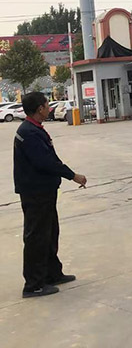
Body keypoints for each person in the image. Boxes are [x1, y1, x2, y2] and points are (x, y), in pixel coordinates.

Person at [13, 92, 87, 298]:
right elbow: (46, 163)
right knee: (37, 237)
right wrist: (73, 176)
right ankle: (33, 285)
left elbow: (49, 159)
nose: (50, 108)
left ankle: (52, 274)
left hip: (43, 191)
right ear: (40, 109)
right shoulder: (29, 133)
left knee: (50, 232)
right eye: (47, 105)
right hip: (35, 192)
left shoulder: (33, 129)